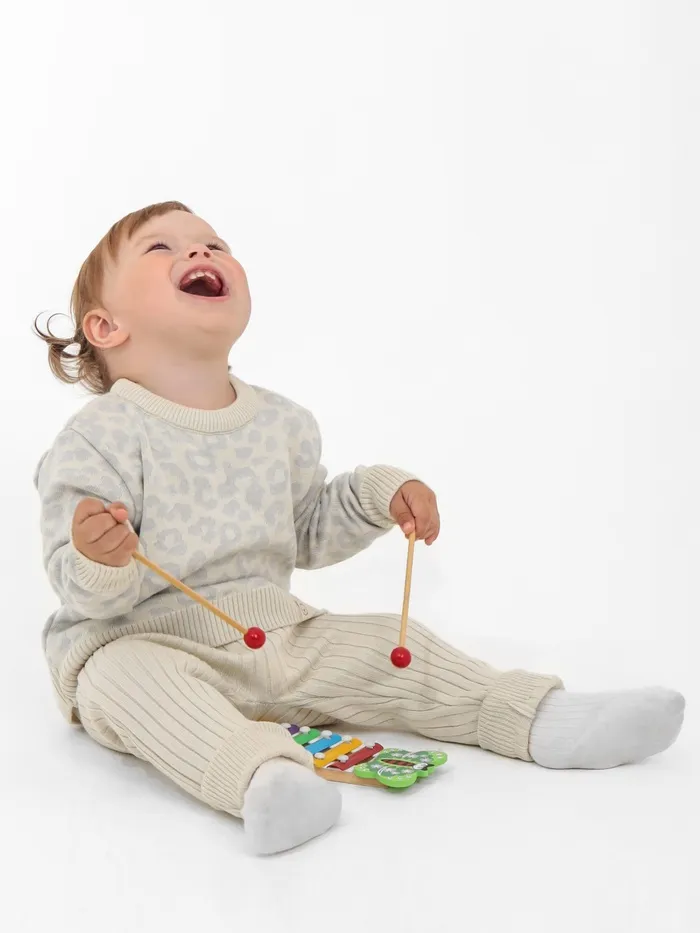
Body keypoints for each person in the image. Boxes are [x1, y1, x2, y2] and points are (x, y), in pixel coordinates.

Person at [34, 201, 685, 856]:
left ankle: (534, 716)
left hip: (277, 636)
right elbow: (81, 587)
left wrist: (380, 495)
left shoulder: (282, 423)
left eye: (214, 244)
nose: (201, 253)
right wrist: (98, 555)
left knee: (387, 644)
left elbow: (308, 529)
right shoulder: (101, 436)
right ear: (106, 326)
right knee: (121, 681)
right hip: (145, 639)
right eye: (161, 248)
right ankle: (266, 781)